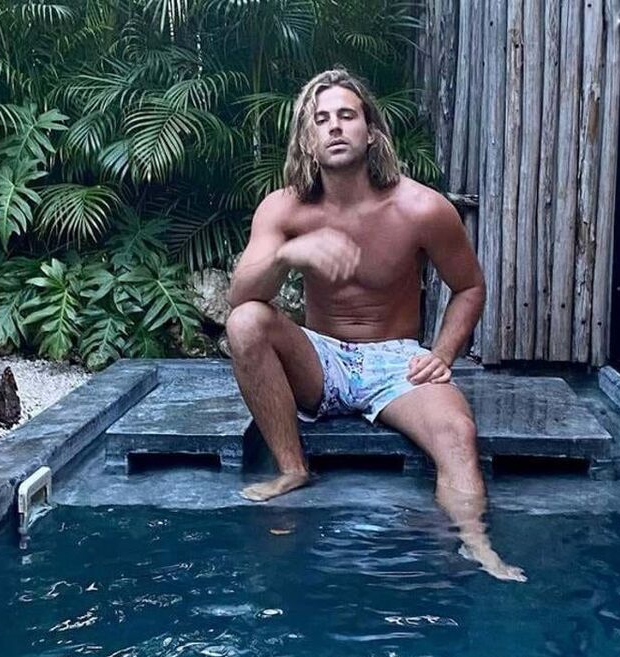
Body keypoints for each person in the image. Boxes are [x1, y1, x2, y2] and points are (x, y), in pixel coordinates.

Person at [225, 69, 525, 582]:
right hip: (320, 358)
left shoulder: (421, 207)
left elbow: (469, 287)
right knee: (246, 321)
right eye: (321, 119)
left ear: (371, 131)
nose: (334, 127)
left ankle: (475, 543)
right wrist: (289, 253)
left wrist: (442, 354)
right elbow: (240, 297)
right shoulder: (284, 208)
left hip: (396, 361)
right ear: (307, 139)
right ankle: (293, 469)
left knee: (457, 433)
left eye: (347, 115)